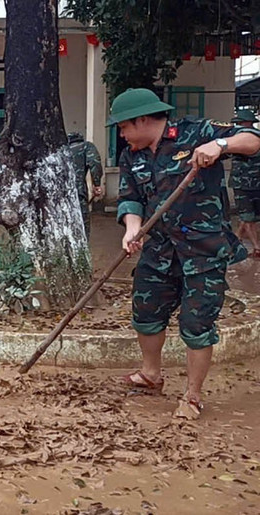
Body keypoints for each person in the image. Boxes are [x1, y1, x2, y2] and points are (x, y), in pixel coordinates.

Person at [111, 88, 260, 420]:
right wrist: (132, 228)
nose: (121, 134)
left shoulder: (197, 132)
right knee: (146, 311)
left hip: (203, 252)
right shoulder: (131, 156)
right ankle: (151, 374)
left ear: (144, 120)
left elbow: (252, 139)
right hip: (160, 251)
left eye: (123, 127)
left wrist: (220, 145)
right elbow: (130, 198)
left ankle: (192, 396)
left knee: (197, 323)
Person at [230, 109, 260, 258]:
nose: (239, 125)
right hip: (243, 184)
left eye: (241, 123)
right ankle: (250, 245)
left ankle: (245, 242)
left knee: (249, 216)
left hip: (249, 184)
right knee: (248, 216)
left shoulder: (251, 139)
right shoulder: (237, 138)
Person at [66, 132, 103, 240]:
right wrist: (96, 185)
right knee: (82, 228)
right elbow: (95, 163)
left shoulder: (62, 150)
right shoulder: (86, 146)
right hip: (78, 193)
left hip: (59, 196)